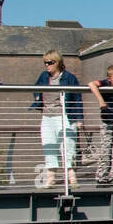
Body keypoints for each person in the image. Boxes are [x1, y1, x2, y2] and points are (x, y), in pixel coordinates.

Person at [30, 50, 84, 188]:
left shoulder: (69, 78)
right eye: (45, 63)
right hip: (47, 116)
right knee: (48, 146)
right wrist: (37, 98)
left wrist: (79, 119)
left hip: (64, 116)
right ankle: (51, 179)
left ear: (57, 63)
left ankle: (72, 179)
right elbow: (36, 88)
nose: (47, 65)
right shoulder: (43, 76)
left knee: (67, 146)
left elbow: (77, 98)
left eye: (49, 62)